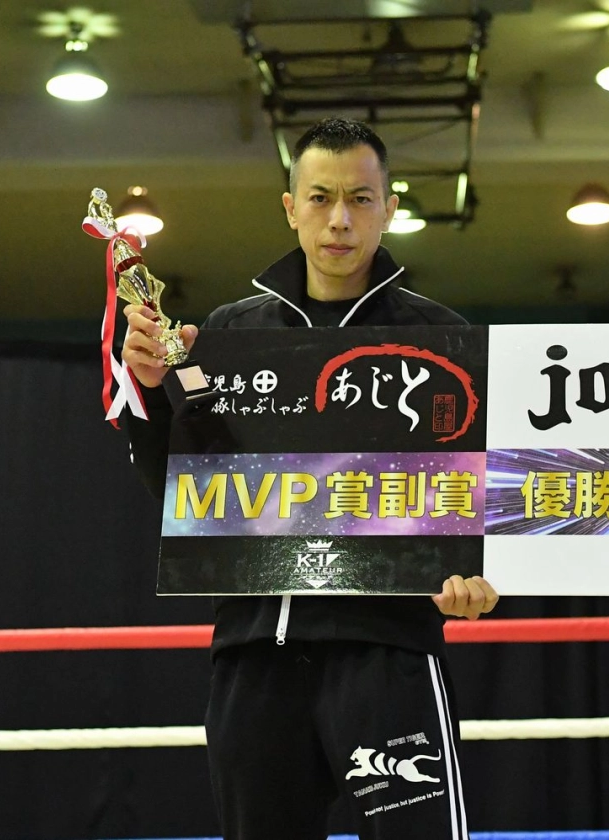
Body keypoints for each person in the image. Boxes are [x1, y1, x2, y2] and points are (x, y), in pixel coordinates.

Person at [120, 117, 498, 840]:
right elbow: (186, 493)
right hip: (255, 658)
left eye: (360, 198)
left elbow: (485, 499)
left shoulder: (441, 339)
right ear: (290, 207)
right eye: (320, 197)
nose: (339, 220)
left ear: (389, 208)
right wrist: (150, 390)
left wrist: (482, 572)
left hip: (386, 652)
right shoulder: (228, 336)